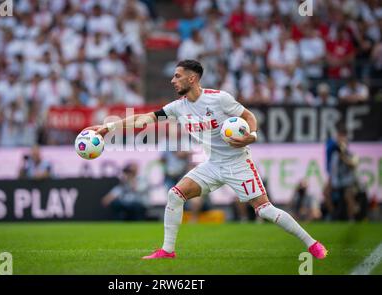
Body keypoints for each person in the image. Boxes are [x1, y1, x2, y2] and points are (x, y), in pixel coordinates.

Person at [84, 60, 327, 260]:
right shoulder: (177, 107)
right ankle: (167, 251)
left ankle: (312, 243)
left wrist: (251, 136)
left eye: (177, 76)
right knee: (174, 194)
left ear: (192, 79)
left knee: (264, 210)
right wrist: (109, 127)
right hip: (212, 165)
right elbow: (145, 119)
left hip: (238, 164)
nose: (172, 80)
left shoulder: (219, 99)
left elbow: (248, 115)